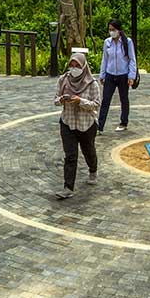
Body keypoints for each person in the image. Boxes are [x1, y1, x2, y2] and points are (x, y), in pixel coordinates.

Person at [53, 52, 101, 199]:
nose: (74, 68)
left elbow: (96, 104)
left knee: (89, 151)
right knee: (70, 156)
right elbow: (55, 100)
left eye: (77, 65)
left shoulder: (92, 83)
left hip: (86, 124)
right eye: (72, 65)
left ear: (83, 66)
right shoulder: (63, 80)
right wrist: (62, 99)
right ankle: (68, 188)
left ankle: (93, 170)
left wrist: (80, 101)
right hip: (67, 122)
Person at [97, 19, 137, 132]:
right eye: (109, 30)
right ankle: (100, 125)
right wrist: (102, 74)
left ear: (119, 30)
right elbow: (104, 59)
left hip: (123, 75)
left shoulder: (127, 42)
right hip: (110, 75)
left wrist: (131, 76)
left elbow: (132, 59)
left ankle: (124, 122)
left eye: (113, 30)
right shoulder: (107, 42)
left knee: (124, 99)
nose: (111, 32)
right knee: (105, 100)